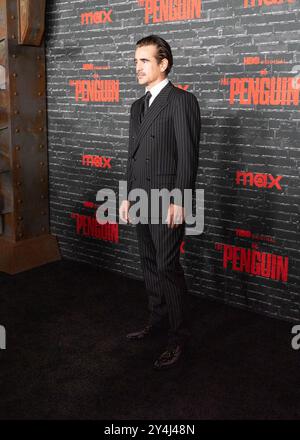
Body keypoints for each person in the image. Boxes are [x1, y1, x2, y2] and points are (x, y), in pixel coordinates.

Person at [119, 35, 201, 370]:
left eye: (144, 60)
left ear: (163, 63)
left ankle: (178, 337)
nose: (136, 67)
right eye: (135, 60)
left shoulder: (181, 100)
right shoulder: (137, 106)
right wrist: (126, 196)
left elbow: (187, 155)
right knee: (149, 263)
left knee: (167, 267)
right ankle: (157, 322)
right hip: (141, 197)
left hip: (168, 199)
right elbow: (132, 155)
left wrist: (180, 201)